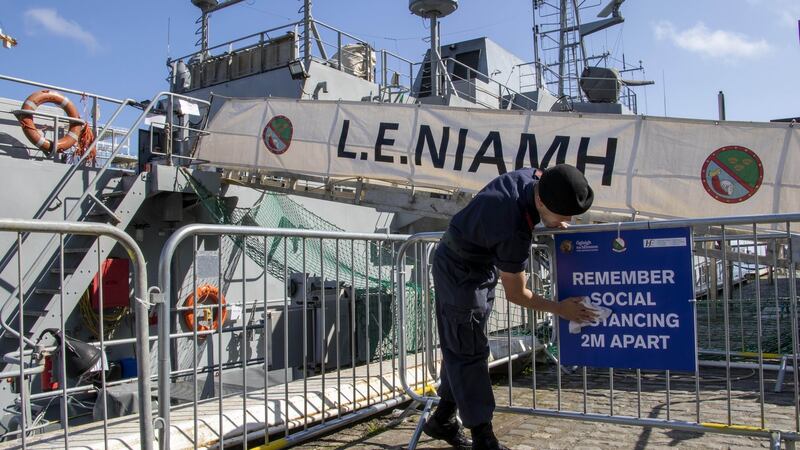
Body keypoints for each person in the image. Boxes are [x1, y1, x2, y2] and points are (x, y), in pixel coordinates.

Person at [422, 164, 599, 450]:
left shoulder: (535, 178)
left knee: (464, 346)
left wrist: (553, 219)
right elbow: (518, 295)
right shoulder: (512, 227)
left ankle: (441, 419)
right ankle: (483, 437)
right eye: (562, 213)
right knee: (469, 352)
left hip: (478, 262)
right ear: (541, 201)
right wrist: (561, 309)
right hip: (460, 271)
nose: (567, 220)